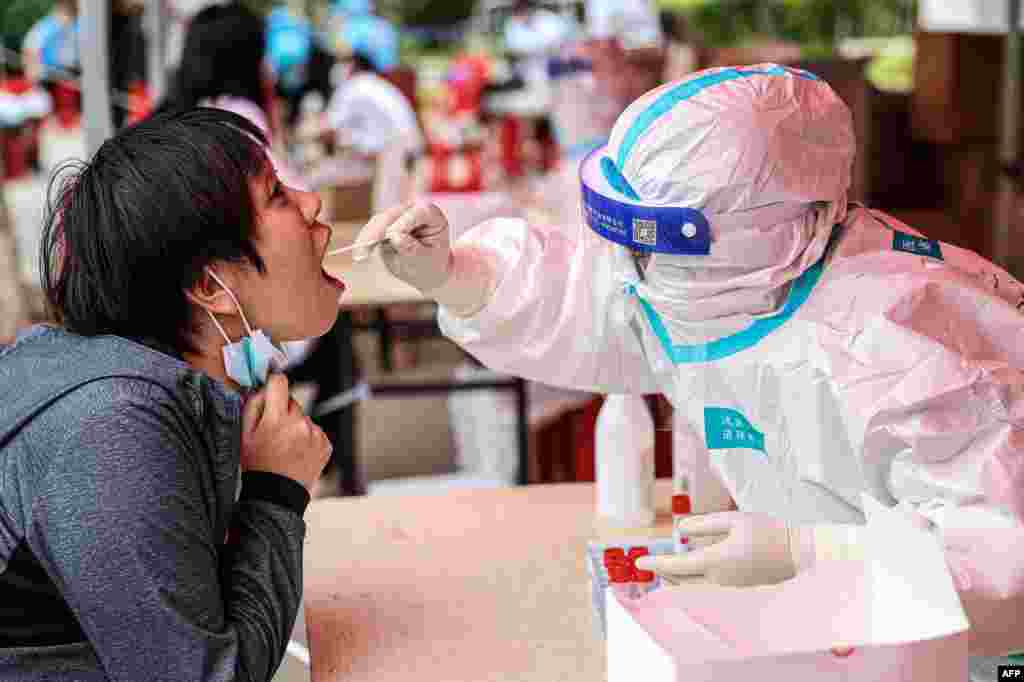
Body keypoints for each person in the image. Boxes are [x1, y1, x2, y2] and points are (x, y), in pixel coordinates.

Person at [355, 65, 1024, 657]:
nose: (631, 271)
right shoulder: (729, 283)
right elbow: (597, 303)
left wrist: (807, 554)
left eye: (652, 248)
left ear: (758, 233)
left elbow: (1003, 560)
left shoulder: (905, 344)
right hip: (854, 625)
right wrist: (456, 274)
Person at [0, 108, 334, 679]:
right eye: (277, 195)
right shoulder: (109, 429)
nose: (312, 204)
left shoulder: (152, 389)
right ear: (211, 286)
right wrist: (276, 493)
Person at [159, 2, 365, 496]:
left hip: (189, 325)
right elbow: (288, 216)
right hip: (235, 330)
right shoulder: (238, 120)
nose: (309, 206)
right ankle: (337, 467)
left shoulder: (166, 121)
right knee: (333, 329)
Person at [324, 46, 423, 213]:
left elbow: (330, 128)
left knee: (387, 211)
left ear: (353, 65)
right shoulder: (375, 83)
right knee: (402, 204)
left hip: (394, 145)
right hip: (409, 140)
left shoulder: (352, 87)